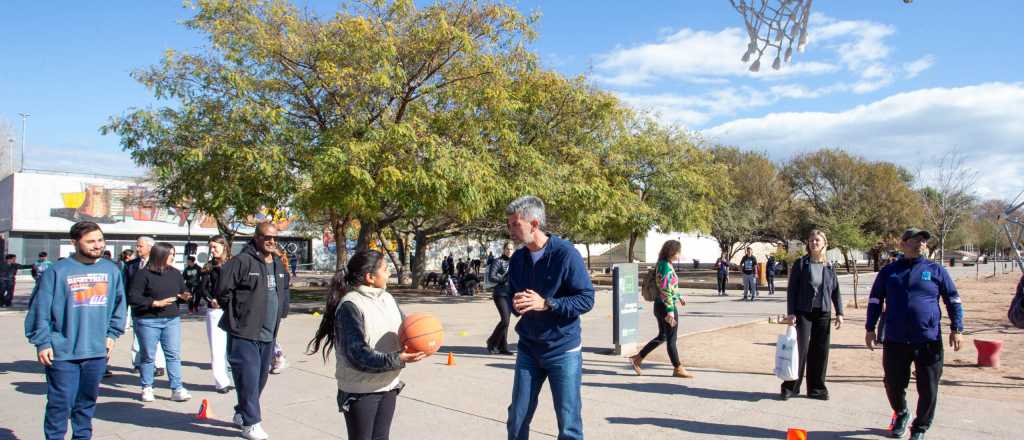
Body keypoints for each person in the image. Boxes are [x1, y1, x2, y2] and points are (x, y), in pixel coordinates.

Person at [306, 250, 427, 440]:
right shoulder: (350, 305)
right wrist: (398, 358)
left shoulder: (387, 299)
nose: (389, 274)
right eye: (386, 270)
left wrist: (419, 342)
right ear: (370, 277)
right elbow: (357, 354)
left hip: (388, 384)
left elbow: (406, 330)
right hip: (360, 389)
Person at [24, 221, 127, 440]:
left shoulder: (111, 270)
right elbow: (40, 309)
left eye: (100, 240)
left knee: (85, 404)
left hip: (97, 352)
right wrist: (42, 342)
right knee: (60, 404)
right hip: (62, 352)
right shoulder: (57, 271)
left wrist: (112, 334)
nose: (97, 245)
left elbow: (120, 305)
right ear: (74, 242)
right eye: (90, 241)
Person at [504, 196, 594, 440]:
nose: (510, 230)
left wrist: (547, 303)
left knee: (568, 424)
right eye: (509, 224)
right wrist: (514, 303)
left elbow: (586, 299)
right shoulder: (518, 259)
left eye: (515, 224)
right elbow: (512, 294)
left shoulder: (566, 254)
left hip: (562, 350)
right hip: (528, 348)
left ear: (534, 224)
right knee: (517, 418)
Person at [866, 228, 964, 440]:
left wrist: (957, 328)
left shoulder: (936, 270)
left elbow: (953, 299)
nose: (921, 243)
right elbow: (875, 300)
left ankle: (919, 427)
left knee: (928, 387)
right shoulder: (889, 271)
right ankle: (901, 413)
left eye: (924, 241)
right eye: (916, 240)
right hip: (895, 338)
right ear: (903, 244)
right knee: (892, 383)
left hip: (928, 339)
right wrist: (869, 328)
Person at [216, 223, 291, 440]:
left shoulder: (277, 263)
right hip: (244, 332)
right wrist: (238, 313)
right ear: (256, 237)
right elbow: (222, 290)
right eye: (267, 237)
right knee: (247, 378)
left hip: (269, 333)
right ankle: (251, 423)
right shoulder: (241, 261)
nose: (271, 241)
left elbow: (284, 288)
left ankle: (242, 412)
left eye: (275, 238)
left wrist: (282, 309)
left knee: (259, 379)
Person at [781, 229, 843, 400]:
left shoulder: (829, 266)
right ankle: (791, 387)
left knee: (820, 351)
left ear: (824, 243)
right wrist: (791, 313)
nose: (814, 243)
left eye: (817, 240)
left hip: (823, 313)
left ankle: (817, 389)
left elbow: (835, 290)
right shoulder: (801, 264)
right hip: (803, 313)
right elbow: (792, 290)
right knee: (800, 350)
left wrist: (840, 312)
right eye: (811, 240)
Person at [126, 242, 193, 403]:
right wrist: (154, 303)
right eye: (171, 255)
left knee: (173, 355)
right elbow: (133, 297)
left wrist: (185, 296)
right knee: (148, 355)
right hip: (148, 319)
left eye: (174, 255)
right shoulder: (142, 274)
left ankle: (177, 388)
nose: (173, 258)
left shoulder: (175, 273)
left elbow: (182, 290)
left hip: (171, 319)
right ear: (160, 256)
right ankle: (147, 387)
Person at [629, 240, 695, 378]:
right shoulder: (665, 266)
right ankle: (678, 367)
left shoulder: (664, 264)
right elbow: (665, 289)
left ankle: (638, 358)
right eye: (678, 252)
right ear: (672, 252)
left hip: (660, 305)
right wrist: (670, 310)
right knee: (671, 338)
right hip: (666, 307)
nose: (679, 254)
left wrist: (679, 296)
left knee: (663, 336)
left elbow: (669, 287)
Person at [124, 237, 166, 378]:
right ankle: (137, 362)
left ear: (150, 247)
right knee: (138, 335)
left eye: (140, 246)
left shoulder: (159, 264)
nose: (137, 249)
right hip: (137, 306)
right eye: (137, 246)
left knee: (157, 337)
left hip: (156, 305)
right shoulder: (131, 265)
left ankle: (159, 365)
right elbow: (126, 286)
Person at [198, 235, 233, 393]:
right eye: (210, 247)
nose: (212, 250)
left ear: (224, 246)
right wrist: (210, 299)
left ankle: (238, 377)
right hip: (216, 310)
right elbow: (203, 288)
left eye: (215, 247)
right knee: (217, 347)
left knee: (235, 346)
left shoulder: (233, 264)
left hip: (233, 309)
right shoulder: (208, 267)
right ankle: (221, 381)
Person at [486, 242, 515, 355]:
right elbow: (492, 277)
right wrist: (504, 279)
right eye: (507, 249)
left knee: (506, 322)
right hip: (500, 294)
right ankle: (491, 341)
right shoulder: (498, 261)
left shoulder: (514, 262)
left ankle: (503, 347)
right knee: (505, 320)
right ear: (503, 249)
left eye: (511, 249)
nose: (509, 251)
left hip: (510, 294)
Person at [269, 244, 292, 375]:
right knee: (269, 334)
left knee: (271, 335)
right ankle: (273, 359)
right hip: (271, 308)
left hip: (276, 308)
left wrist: (282, 310)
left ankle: (279, 357)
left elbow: (283, 293)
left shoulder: (281, 271)